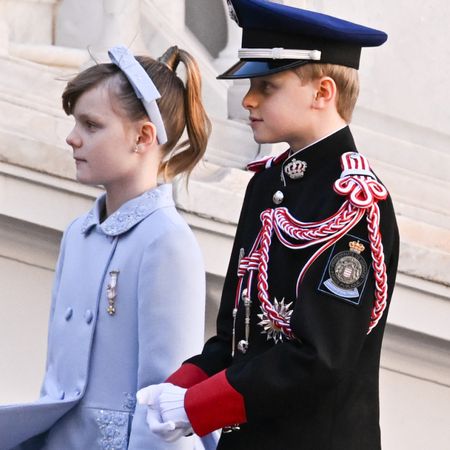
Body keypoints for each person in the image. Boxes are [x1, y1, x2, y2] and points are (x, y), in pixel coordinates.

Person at [137, 1, 400, 449]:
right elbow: (238, 336)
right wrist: (181, 388)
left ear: (323, 93)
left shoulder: (353, 201)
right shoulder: (269, 185)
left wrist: (200, 406)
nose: (248, 100)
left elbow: (318, 358)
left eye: (267, 85)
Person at [0, 44, 211, 450]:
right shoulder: (78, 233)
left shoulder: (167, 241)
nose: (72, 138)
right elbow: (58, 384)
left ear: (143, 136)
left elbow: (163, 403)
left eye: (91, 125)